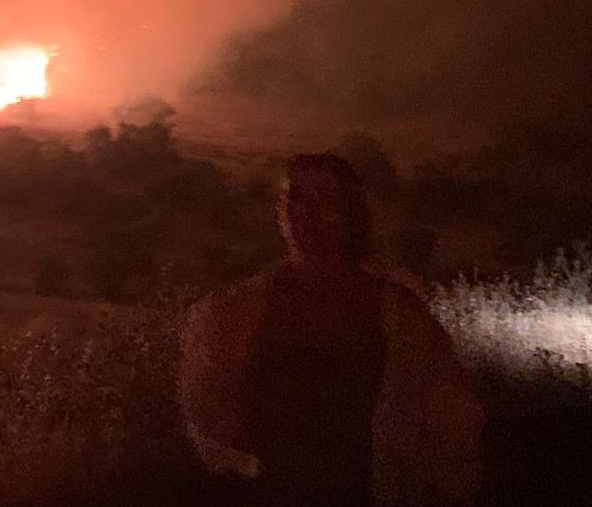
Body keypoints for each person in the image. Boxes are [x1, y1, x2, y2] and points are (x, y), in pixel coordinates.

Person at [180, 153, 483, 506]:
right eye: (295, 198)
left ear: (352, 215)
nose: (306, 212)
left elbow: (446, 418)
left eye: (324, 201)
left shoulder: (397, 313)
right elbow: (208, 410)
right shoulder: (236, 309)